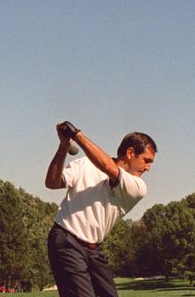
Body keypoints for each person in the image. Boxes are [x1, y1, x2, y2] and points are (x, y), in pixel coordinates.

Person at [45, 121, 156, 297]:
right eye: (146, 160)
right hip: (66, 240)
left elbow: (107, 167)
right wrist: (63, 147)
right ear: (130, 153)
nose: (148, 168)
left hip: (93, 249)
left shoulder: (137, 187)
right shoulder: (84, 164)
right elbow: (52, 182)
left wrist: (77, 135)